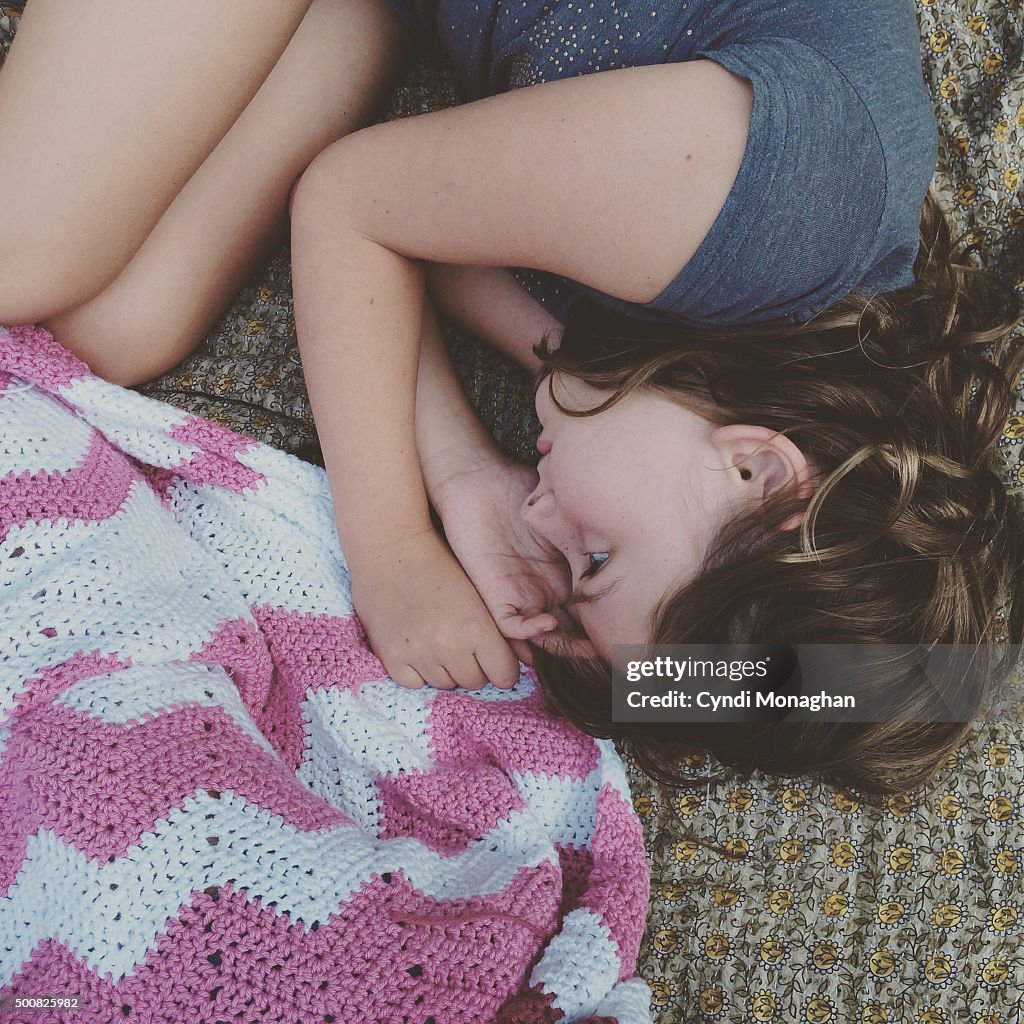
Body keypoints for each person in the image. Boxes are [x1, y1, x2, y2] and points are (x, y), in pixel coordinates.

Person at [0, 1, 1020, 789]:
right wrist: (393, 542)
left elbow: (429, 238)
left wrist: (469, 480)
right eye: (597, 554)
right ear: (758, 468)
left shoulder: (718, 367)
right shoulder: (771, 206)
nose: (543, 518)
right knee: (24, 252)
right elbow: (354, 202)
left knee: (117, 329)